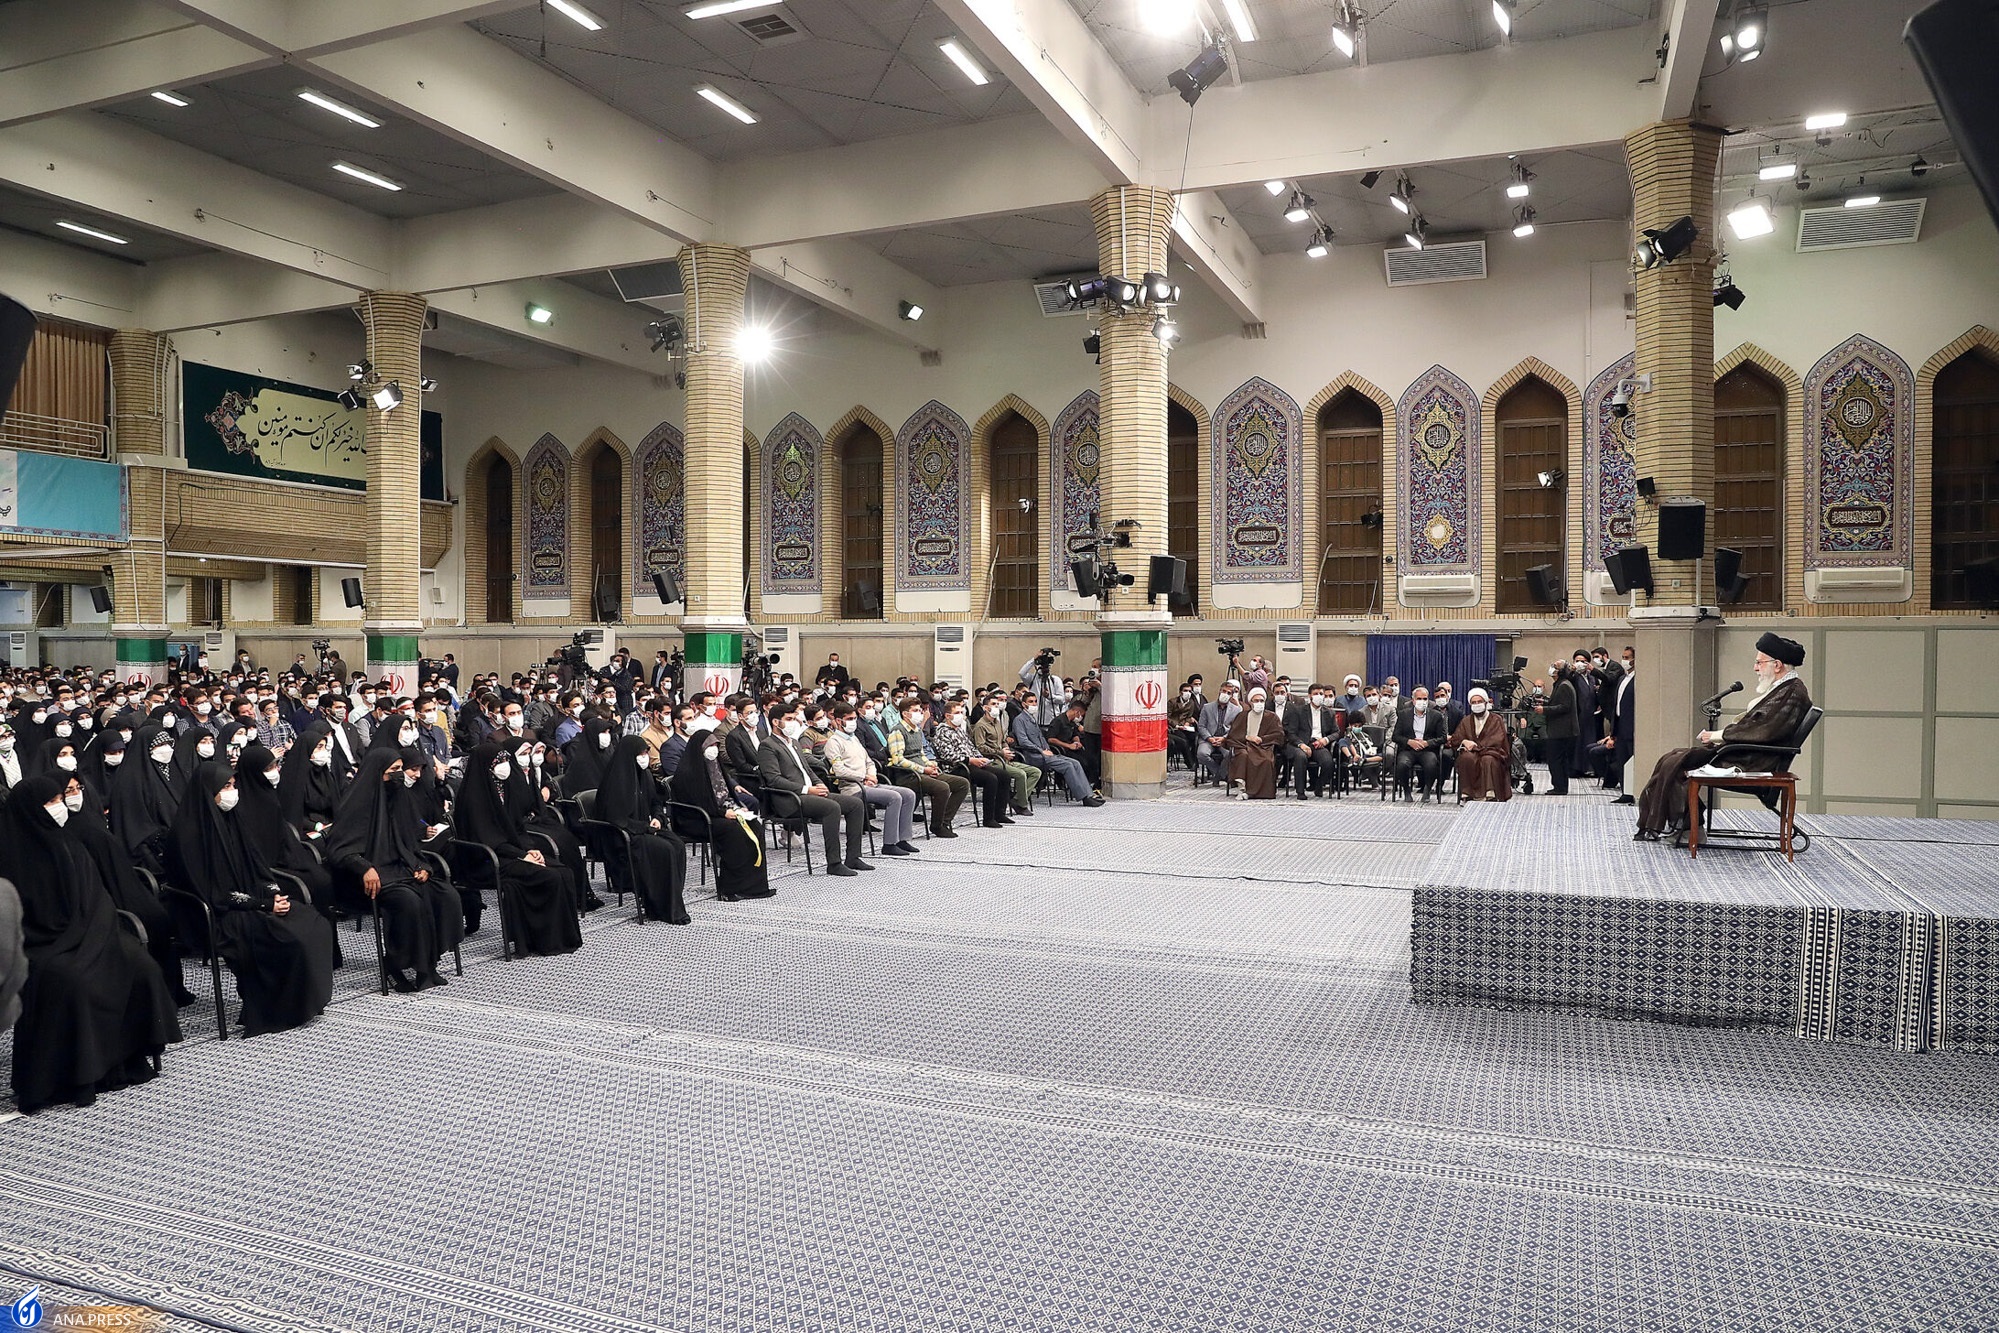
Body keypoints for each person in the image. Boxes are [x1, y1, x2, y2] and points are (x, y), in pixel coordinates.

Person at [2, 777, 182, 1114]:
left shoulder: (70, 844)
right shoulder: (10, 856)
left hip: (90, 935)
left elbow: (97, 901)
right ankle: (77, 1076)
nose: (59, 807)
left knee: (141, 966)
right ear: (30, 810)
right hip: (40, 946)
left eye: (61, 798)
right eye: (51, 802)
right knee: (73, 982)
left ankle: (124, 1060)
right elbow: (17, 921)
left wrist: (91, 938)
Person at [166, 762, 336, 1036]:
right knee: (285, 935)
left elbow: (257, 868)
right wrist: (264, 905)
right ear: (208, 791)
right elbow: (212, 892)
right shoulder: (189, 833)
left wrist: (274, 894)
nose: (232, 792)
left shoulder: (233, 820)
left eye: (234, 786)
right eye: (225, 786)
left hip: (247, 902)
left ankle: (297, 1003)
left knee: (312, 922)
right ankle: (272, 1008)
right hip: (214, 913)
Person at [1635, 633, 1814, 841]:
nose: (1755, 668)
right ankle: (1683, 826)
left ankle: (1689, 829)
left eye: (1759, 662)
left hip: (1753, 761)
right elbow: (1759, 726)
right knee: (1672, 757)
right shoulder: (1786, 688)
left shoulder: (1792, 692)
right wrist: (1720, 738)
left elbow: (1763, 730)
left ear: (1777, 665)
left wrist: (1718, 736)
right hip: (1746, 753)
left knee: (1678, 764)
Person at [324, 749, 463, 992]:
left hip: (401, 870)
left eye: (401, 769)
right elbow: (339, 850)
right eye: (393, 771)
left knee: (445, 895)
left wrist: (422, 866)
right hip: (368, 878)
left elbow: (411, 844)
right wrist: (365, 867)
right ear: (378, 772)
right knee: (409, 902)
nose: (399, 775)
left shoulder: (400, 798)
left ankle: (428, 964)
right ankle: (394, 965)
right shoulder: (358, 801)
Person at [452, 742, 588, 950]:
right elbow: (488, 839)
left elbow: (517, 828)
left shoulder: (502, 789)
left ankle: (562, 938)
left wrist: (530, 849)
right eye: (499, 761)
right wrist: (521, 855)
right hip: (485, 859)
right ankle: (543, 940)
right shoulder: (473, 797)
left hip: (509, 852)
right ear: (486, 765)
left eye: (506, 760)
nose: (505, 765)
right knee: (549, 876)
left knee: (564, 872)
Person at [760, 701, 870, 874]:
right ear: (775, 722)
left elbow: (808, 770)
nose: (793, 723)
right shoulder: (768, 745)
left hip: (811, 793)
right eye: (789, 719)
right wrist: (807, 789)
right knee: (831, 807)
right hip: (789, 798)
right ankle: (834, 863)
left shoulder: (794, 742)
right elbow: (774, 780)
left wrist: (819, 783)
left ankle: (853, 857)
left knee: (855, 804)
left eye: (794, 718)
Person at [668, 716, 771, 900]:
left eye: (715, 745)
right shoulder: (688, 772)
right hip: (697, 819)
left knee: (755, 824)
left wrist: (737, 808)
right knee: (734, 831)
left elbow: (725, 794)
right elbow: (696, 803)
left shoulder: (715, 767)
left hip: (718, 813)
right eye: (709, 746)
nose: (713, 749)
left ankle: (754, 886)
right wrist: (724, 813)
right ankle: (731, 888)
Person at [824, 702, 918, 855]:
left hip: (868, 783)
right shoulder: (833, 742)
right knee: (894, 797)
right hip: (853, 787)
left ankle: (903, 839)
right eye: (849, 719)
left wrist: (872, 775)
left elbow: (869, 761)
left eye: (854, 718)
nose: (853, 722)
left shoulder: (854, 739)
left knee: (908, 794)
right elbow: (839, 770)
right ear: (839, 721)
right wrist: (863, 777)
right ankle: (889, 844)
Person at [886, 699, 969, 836]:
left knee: (962, 784)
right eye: (915, 710)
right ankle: (936, 826)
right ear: (905, 714)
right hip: (908, 775)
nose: (920, 713)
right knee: (942, 788)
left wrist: (930, 764)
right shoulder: (897, 731)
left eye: (920, 710)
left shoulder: (917, 730)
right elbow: (898, 759)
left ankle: (944, 821)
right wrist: (923, 769)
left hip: (923, 771)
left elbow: (921, 754)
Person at [1009, 700, 1099, 805]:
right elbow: (1023, 741)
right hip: (1033, 755)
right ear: (1024, 704)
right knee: (1068, 765)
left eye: (1035, 702)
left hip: (1046, 753)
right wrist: (1041, 751)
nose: (1034, 704)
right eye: (1031, 702)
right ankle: (1084, 798)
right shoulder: (1019, 720)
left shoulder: (1032, 718)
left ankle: (1089, 794)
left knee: (1076, 763)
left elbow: (1042, 738)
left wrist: (1047, 749)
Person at [971, 692, 1041, 815]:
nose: (996, 707)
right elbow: (980, 747)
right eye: (993, 704)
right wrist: (1001, 752)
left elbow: (1003, 740)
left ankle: (1017, 799)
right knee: (1020, 774)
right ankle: (1021, 805)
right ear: (986, 708)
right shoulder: (980, 725)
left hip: (1004, 758)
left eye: (997, 704)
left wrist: (1006, 749)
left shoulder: (997, 722)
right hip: (992, 761)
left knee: (1035, 772)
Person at [1449, 687, 1513, 802]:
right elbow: (1456, 738)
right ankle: (1467, 793)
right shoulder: (1466, 720)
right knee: (1466, 758)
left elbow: (1498, 739)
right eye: (1474, 702)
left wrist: (1478, 747)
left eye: (1479, 701)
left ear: (1486, 702)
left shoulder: (1496, 719)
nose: (1477, 704)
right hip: (1472, 753)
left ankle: (1490, 793)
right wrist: (1464, 741)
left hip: (1492, 752)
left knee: (1488, 759)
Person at [1282, 685, 1339, 800]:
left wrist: (1325, 739)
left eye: (1321, 694)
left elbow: (1336, 732)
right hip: (1300, 744)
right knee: (1300, 757)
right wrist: (1301, 745)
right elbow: (1291, 733)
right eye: (1316, 694)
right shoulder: (1298, 711)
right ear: (1310, 696)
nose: (1319, 696)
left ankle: (1319, 785)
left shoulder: (1329, 713)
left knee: (1328, 762)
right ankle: (1300, 791)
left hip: (1318, 744)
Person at [1394, 686, 1450, 802]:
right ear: (1413, 700)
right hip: (1408, 750)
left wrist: (1427, 743)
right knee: (1402, 764)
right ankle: (1407, 791)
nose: (1422, 701)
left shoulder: (1436, 715)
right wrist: (1409, 742)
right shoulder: (1403, 714)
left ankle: (1427, 790)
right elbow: (1395, 736)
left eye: (1425, 699)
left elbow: (1442, 738)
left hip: (1427, 750)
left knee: (1431, 764)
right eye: (1419, 699)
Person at [1225, 687, 1283, 799]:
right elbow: (1233, 735)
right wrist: (1247, 737)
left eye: (1261, 701)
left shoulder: (1272, 717)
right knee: (1243, 755)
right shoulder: (1242, 716)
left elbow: (1278, 735)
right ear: (1250, 702)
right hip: (1244, 745)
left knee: (1266, 761)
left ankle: (1258, 792)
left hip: (1263, 747)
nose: (1259, 703)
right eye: (1256, 701)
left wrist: (1262, 739)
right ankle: (1242, 788)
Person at [1609, 649, 1637, 804]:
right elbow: (1616, 705)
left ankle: (1633, 791)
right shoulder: (1621, 679)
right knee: (1621, 761)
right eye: (1623, 657)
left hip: (1631, 727)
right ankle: (1625, 792)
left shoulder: (1638, 680)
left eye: (1627, 658)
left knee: (1632, 760)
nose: (1624, 660)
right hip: (1619, 726)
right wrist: (1613, 731)